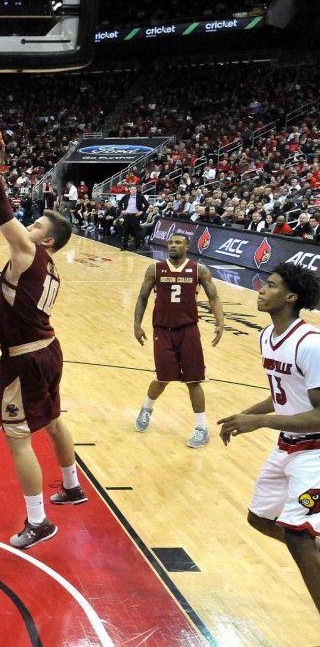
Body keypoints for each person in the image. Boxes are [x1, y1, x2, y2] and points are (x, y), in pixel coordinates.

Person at [0, 141, 86, 550]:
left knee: (18, 437)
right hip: (47, 348)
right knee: (52, 420)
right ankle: (72, 486)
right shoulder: (45, 268)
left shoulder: (30, 255)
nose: (29, 229)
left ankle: (38, 521)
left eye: (37, 228)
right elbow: (8, 318)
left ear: (47, 242)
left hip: (25, 360)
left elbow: (4, 216)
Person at [218, 263, 320, 612]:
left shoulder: (311, 345)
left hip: (315, 451)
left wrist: (260, 422)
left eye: (271, 285)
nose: (261, 289)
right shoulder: (267, 336)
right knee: (260, 519)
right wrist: (246, 415)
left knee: (297, 534)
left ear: (291, 297)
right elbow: (282, 395)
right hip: (287, 445)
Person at [133, 232, 224, 444]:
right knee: (162, 378)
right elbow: (143, 296)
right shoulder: (154, 269)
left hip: (189, 331)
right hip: (163, 331)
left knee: (194, 380)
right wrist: (136, 325)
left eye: (178, 243)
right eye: (171, 242)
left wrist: (220, 323)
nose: (173, 246)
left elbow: (214, 297)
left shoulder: (199, 270)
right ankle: (146, 408)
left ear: (187, 246)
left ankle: (201, 429)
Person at [119, 185, 149, 250]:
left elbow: (147, 204)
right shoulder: (126, 196)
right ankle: (124, 246)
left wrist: (142, 212)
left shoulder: (140, 196)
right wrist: (122, 210)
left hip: (136, 216)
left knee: (136, 232)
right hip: (127, 216)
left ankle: (137, 246)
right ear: (130, 190)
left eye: (134, 189)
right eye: (132, 189)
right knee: (125, 231)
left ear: (136, 190)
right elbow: (119, 203)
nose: (133, 190)